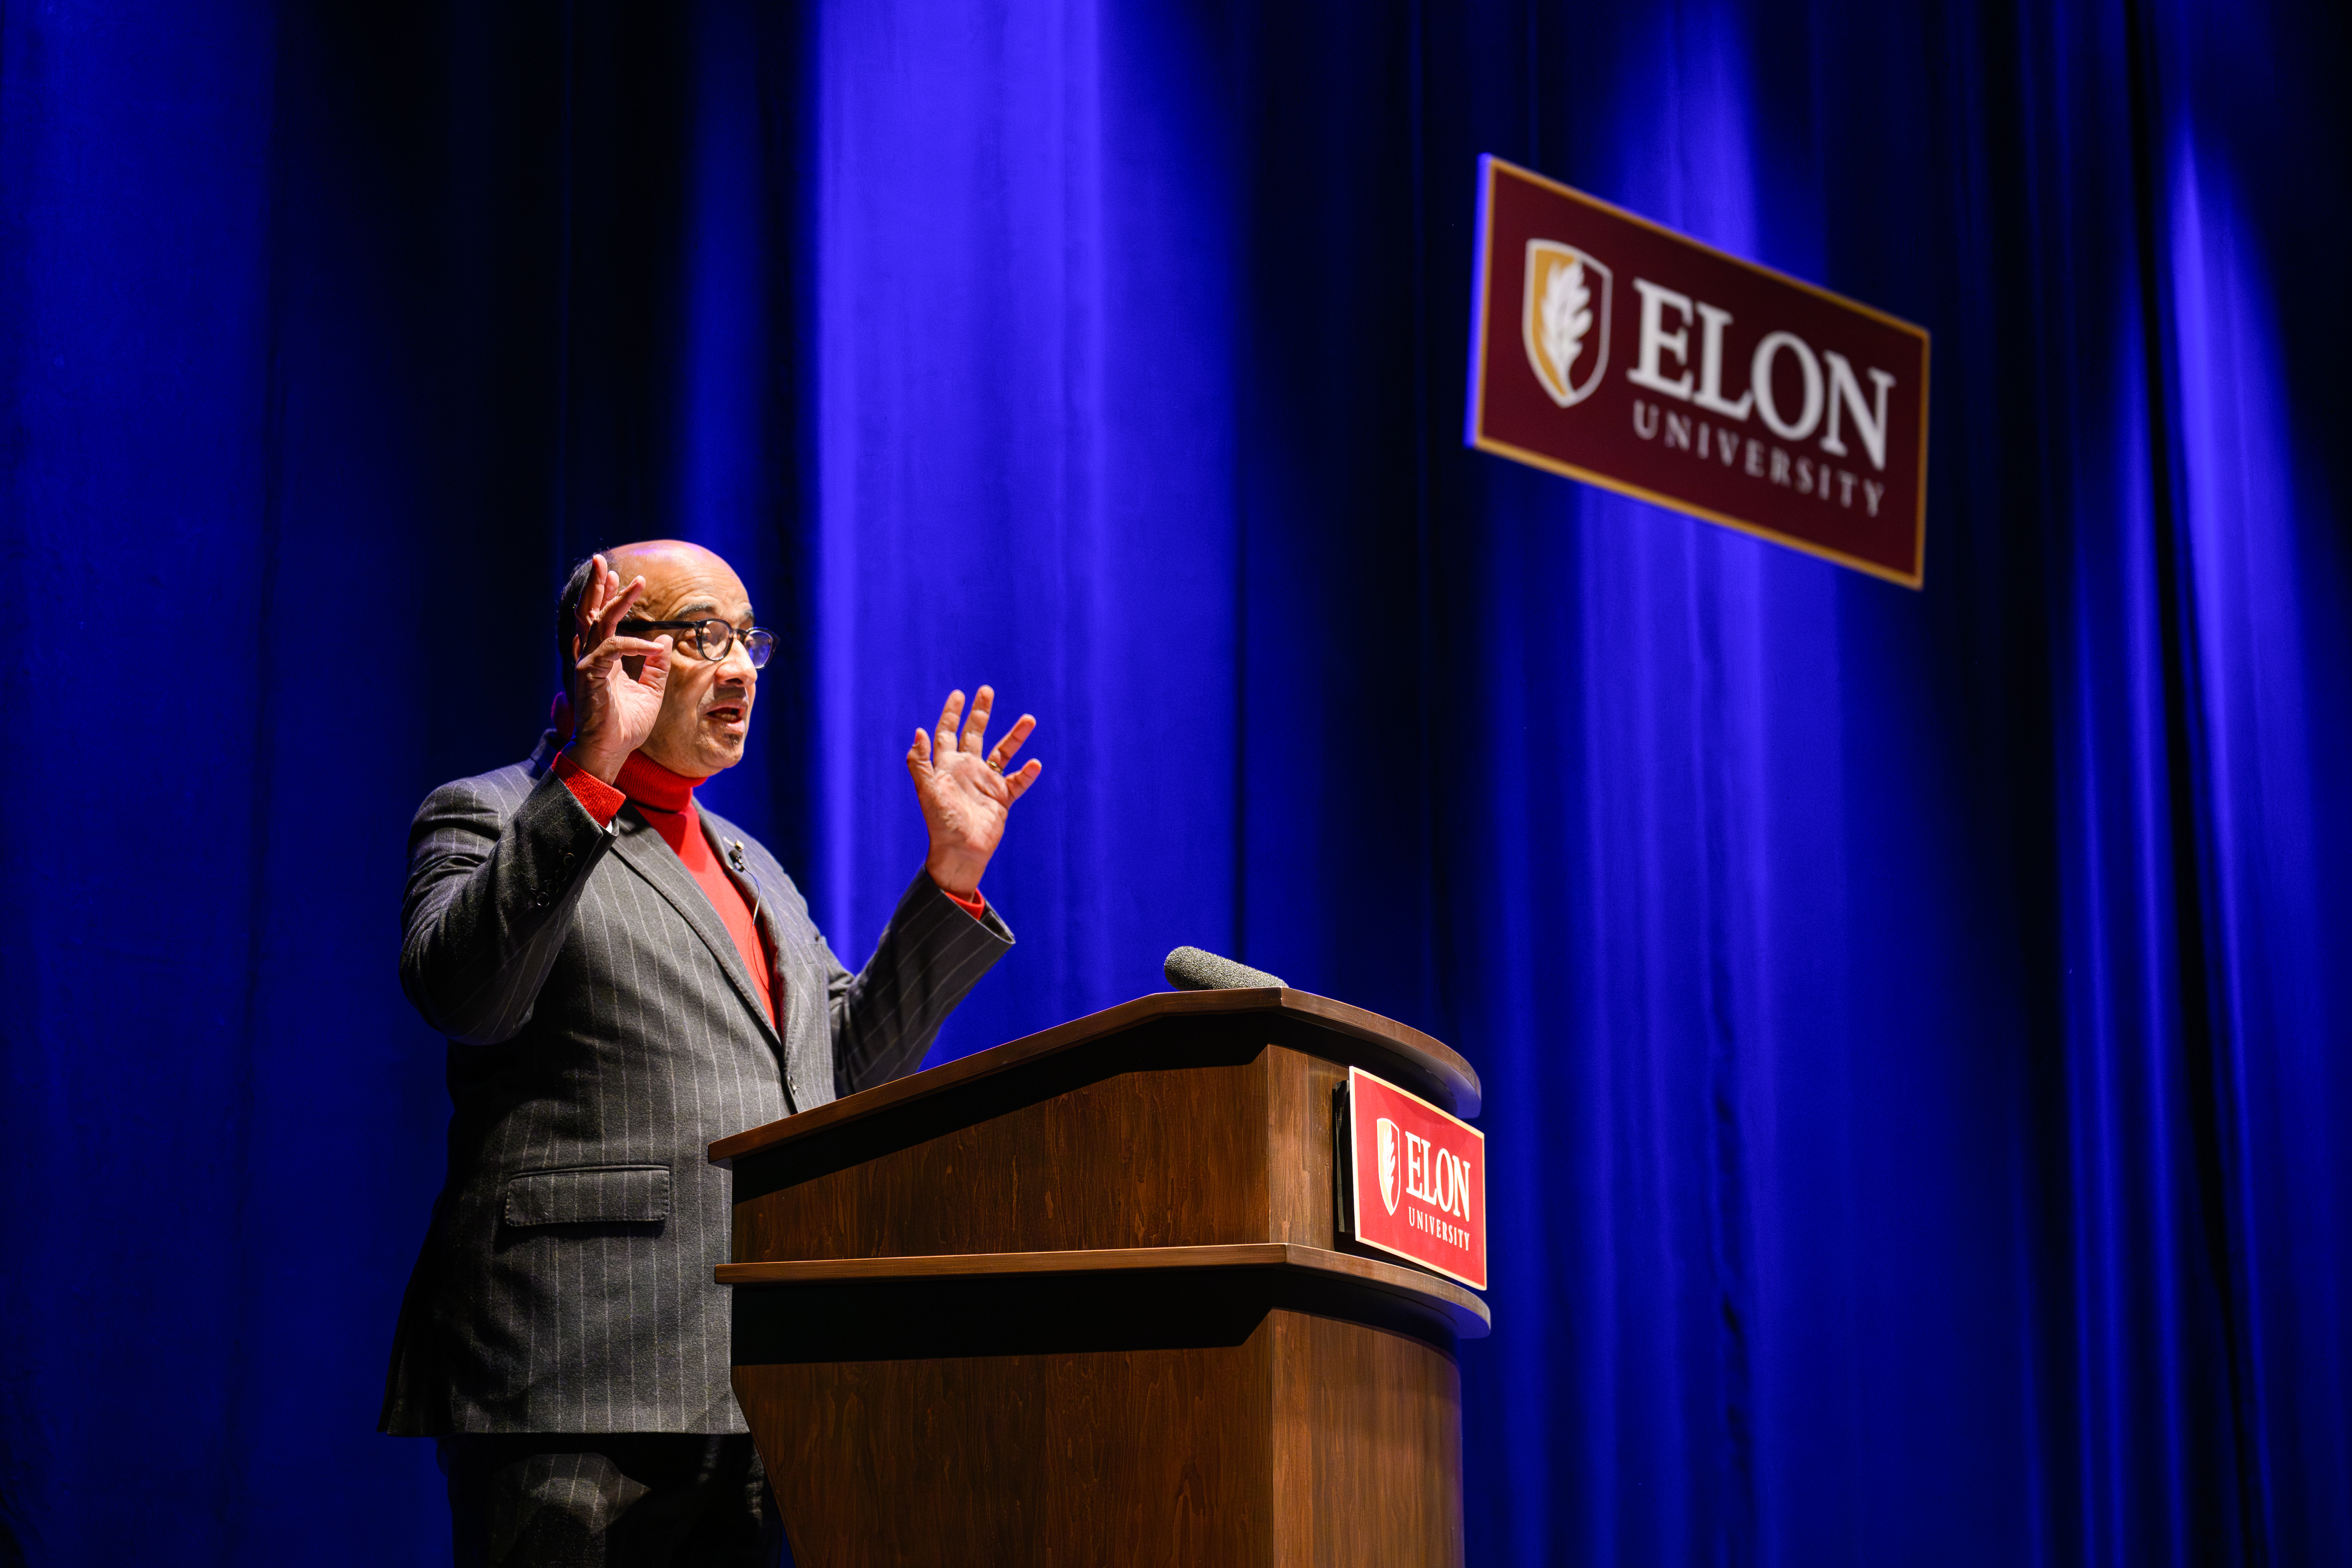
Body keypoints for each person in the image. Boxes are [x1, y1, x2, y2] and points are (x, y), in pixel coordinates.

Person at [380, 541, 1043, 1566]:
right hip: (572, 1374)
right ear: (606, 648)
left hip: (756, 1385)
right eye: (703, 636)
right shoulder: (492, 811)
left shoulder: (754, 867)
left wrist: (951, 877)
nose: (738, 668)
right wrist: (592, 772)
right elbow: (468, 997)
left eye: (747, 640)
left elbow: (844, 1078)